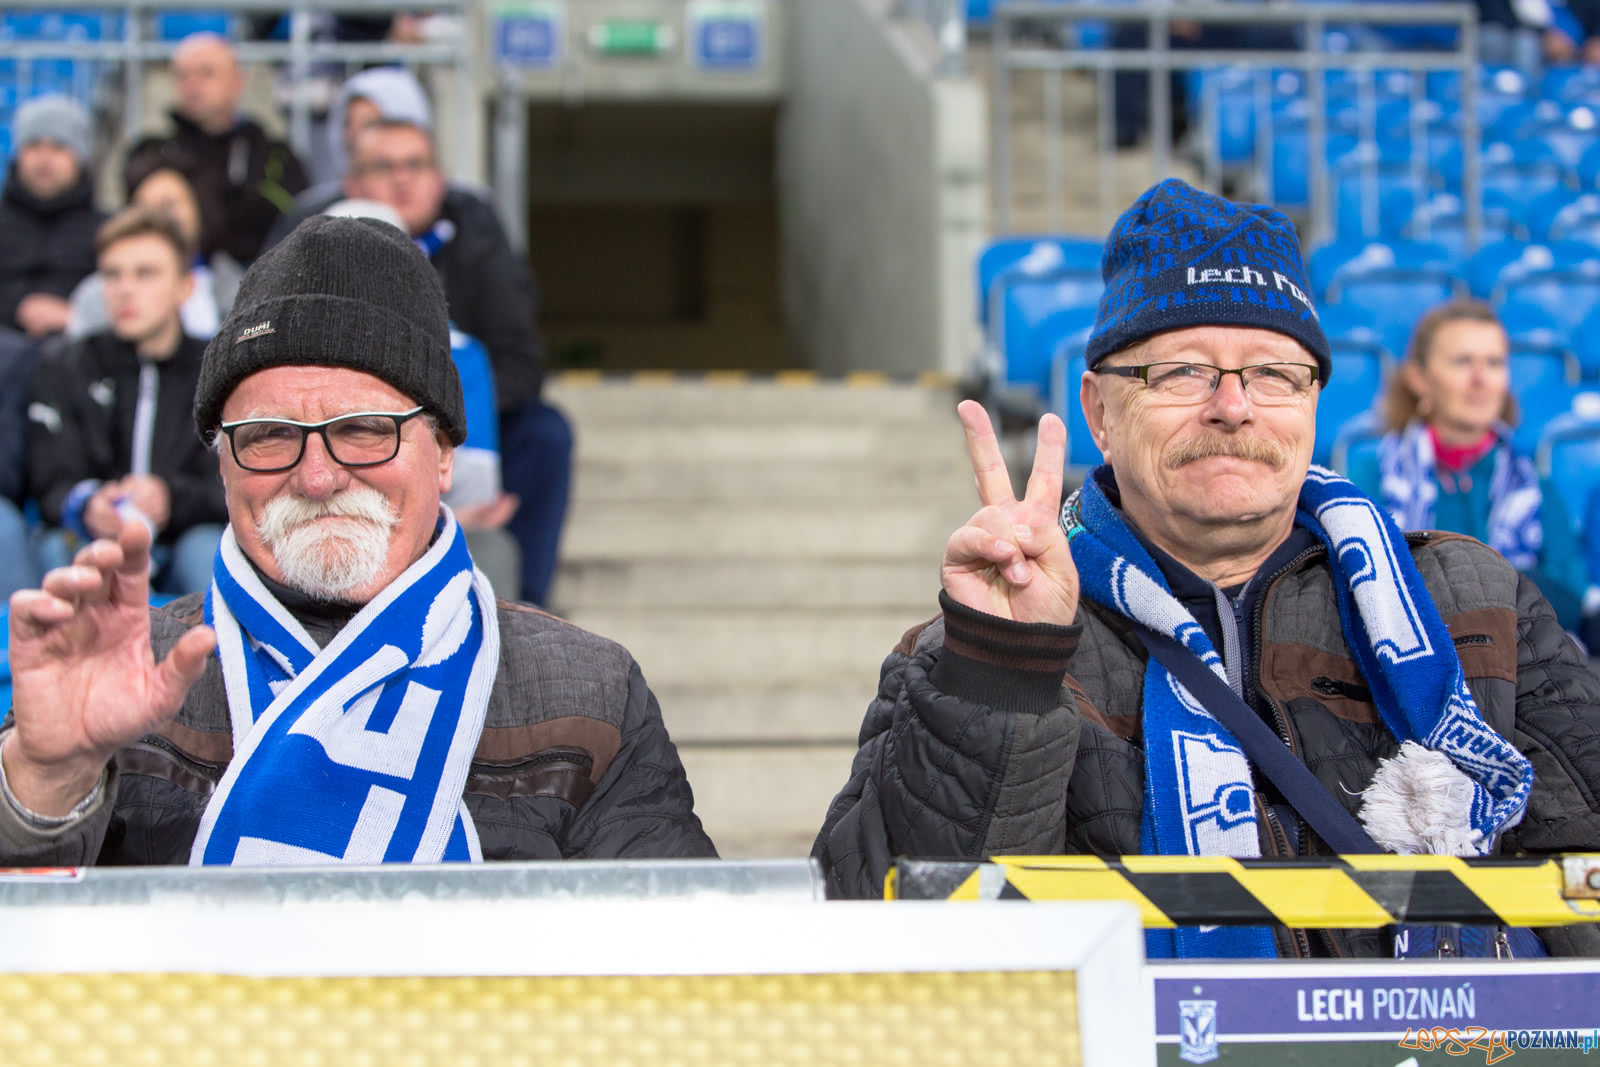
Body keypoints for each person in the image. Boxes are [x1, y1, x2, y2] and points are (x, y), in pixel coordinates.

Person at [814, 179, 1600, 959]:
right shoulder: (985, 641)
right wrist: (1002, 679)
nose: (1233, 405)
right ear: (1099, 411)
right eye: (1183, 371)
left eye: (1274, 373)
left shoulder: (1478, 602)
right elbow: (896, 953)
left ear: (1314, 404)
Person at [0, 215, 713, 866]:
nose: (317, 476)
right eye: (269, 435)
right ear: (222, 464)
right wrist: (44, 779)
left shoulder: (593, 690)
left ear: (442, 453)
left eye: (365, 429)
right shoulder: (122, 680)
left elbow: (683, 967)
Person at [341, 118, 572, 605]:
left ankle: (524, 604)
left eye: (415, 165)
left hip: (466, 417)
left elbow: (521, 362)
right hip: (358, 421)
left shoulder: (479, 244)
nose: (402, 179)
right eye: (384, 167)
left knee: (546, 433)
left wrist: (445, 414)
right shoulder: (326, 246)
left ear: (440, 178)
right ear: (353, 183)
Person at [1347, 299, 1590, 632]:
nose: (1481, 379)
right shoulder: (1371, 477)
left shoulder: (1532, 481)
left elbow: (1570, 597)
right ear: (1419, 378)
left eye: (1494, 363)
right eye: (1463, 362)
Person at [28, 207, 227, 598]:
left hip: (185, 536)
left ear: (184, 287)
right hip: (95, 537)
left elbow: (233, 481)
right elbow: (48, 477)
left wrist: (170, 498)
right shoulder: (67, 364)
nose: (125, 289)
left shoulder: (219, 371)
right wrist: (87, 503)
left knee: (208, 551)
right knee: (60, 549)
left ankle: (212, 659)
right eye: (112, 274)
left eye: (145, 274)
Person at [68, 138, 243, 341]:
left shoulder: (237, 290)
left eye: (169, 205)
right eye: (143, 207)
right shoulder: (96, 296)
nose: (157, 217)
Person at [156, 32, 307, 263]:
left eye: (206, 72)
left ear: (238, 81)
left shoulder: (273, 155)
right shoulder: (155, 153)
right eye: (182, 75)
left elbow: (289, 219)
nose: (192, 84)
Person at [0, 94, 106, 340]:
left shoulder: (107, 230)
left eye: (58, 147)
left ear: (79, 158)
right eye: (34, 145)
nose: (44, 158)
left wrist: (76, 317)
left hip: (80, 355)